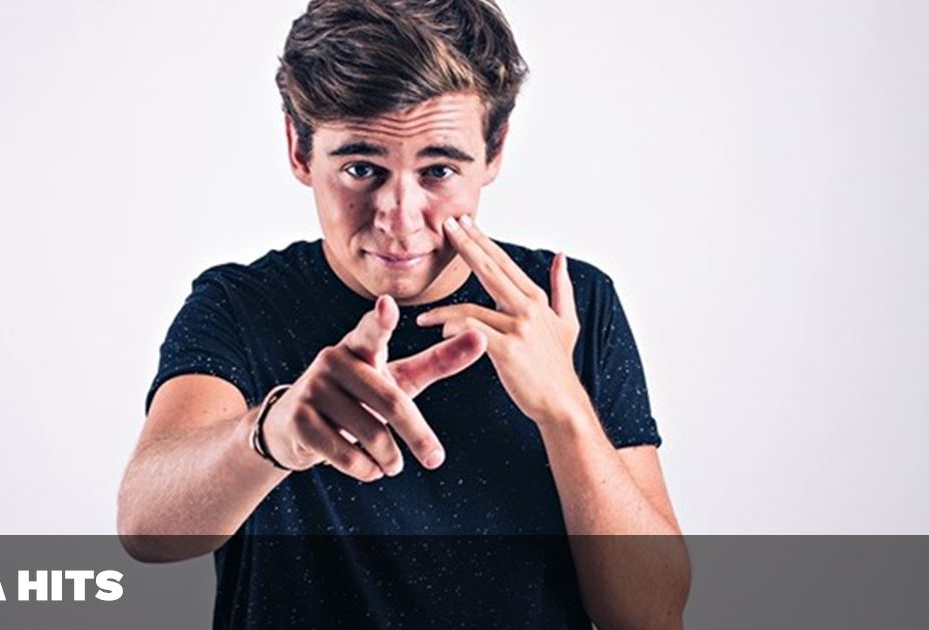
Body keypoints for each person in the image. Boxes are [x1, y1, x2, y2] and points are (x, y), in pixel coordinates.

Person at [117, 0, 690, 627]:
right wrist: (273, 433)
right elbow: (146, 526)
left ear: (494, 149)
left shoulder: (570, 302)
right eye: (361, 169)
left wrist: (565, 409)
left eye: (438, 170)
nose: (398, 217)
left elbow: (651, 614)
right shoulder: (241, 304)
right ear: (299, 150)